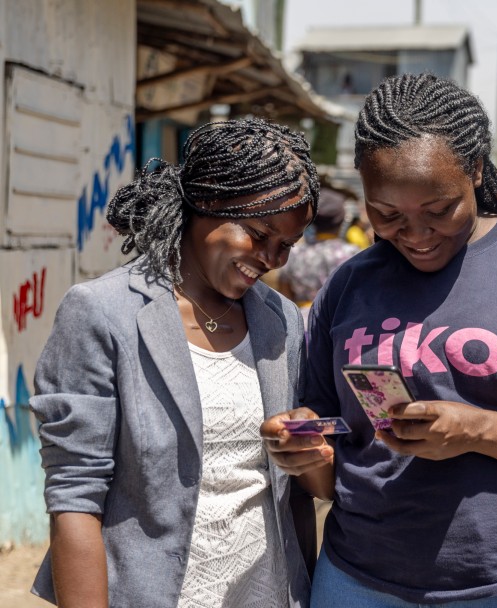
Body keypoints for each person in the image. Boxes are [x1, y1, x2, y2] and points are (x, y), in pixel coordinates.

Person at [261, 73, 497, 607]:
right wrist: (305, 451)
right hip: (357, 582)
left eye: (438, 210)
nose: (415, 234)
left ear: (477, 171)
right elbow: (331, 470)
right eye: (387, 215)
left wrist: (476, 430)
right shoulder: (349, 285)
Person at [30, 118, 322, 608]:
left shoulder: (281, 321)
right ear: (206, 203)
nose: (271, 258)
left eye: (286, 246)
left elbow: (294, 495)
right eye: (258, 234)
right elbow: (74, 499)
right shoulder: (104, 314)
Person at [278, 187, 361, 321]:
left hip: (300, 323)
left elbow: (284, 296)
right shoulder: (353, 254)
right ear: (341, 221)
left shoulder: (294, 253)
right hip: (341, 322)